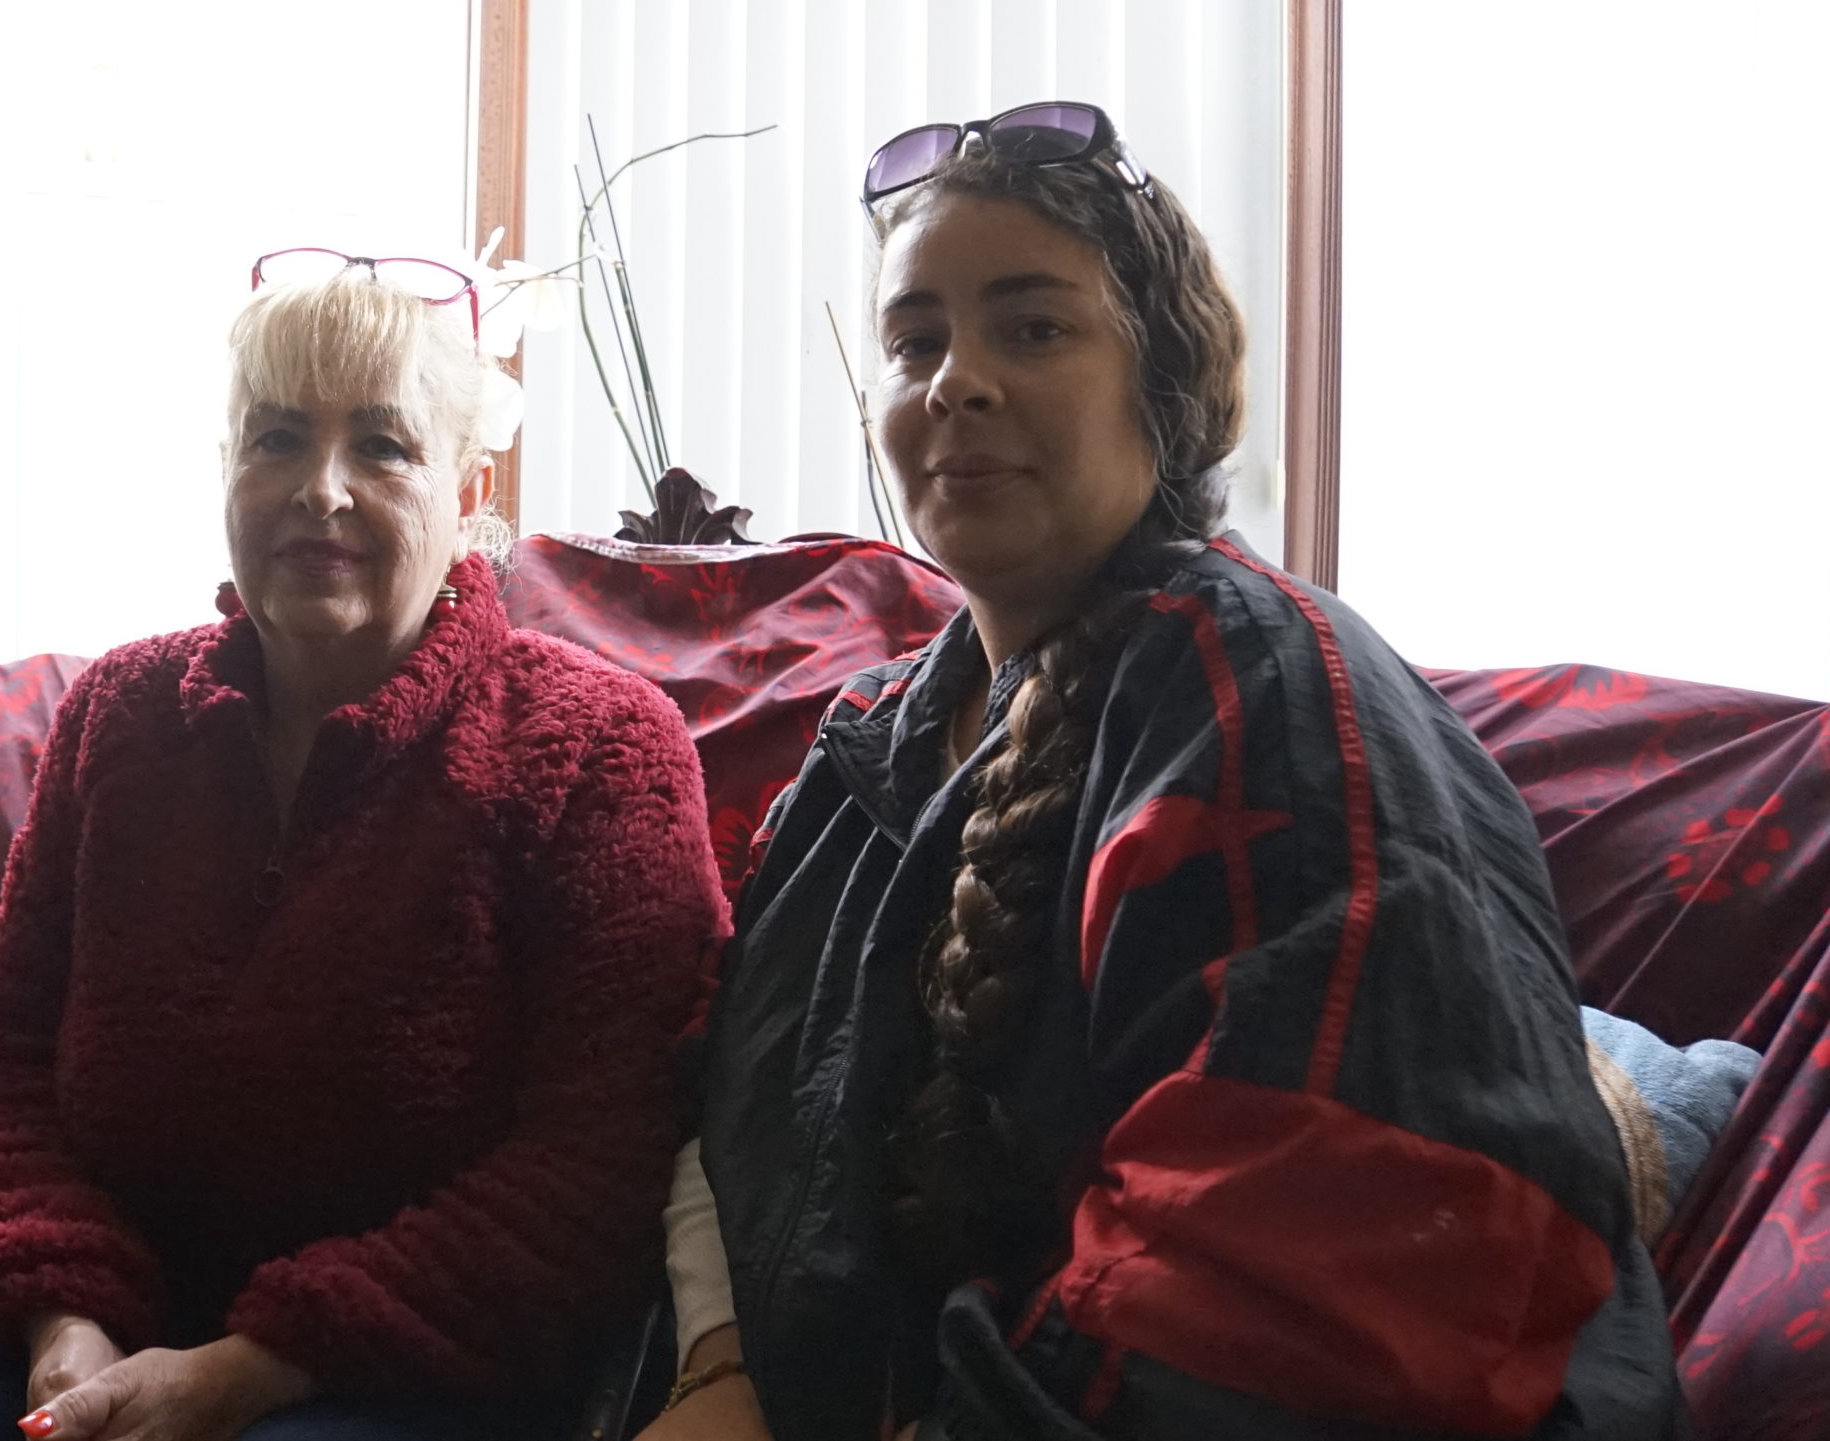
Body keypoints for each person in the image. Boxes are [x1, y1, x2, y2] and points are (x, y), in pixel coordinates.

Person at [645, 105, 1685, 1439]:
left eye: (1033, 326)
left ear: (1164, 382)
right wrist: (715, 1363)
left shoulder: (1272, 694)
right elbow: (717, 1123)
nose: (956, 380)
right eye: (917, 341)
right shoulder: (859, 756)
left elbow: (1309, 1286)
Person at [0, 250, 730, 1441]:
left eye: (382, 445)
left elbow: (594, 1164)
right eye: (276, 439)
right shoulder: (118, 716)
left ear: (469, 488)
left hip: (417, 1359)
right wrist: (66, 1325)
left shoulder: (598, 745)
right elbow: (0, 1062)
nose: (321, 487)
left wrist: (240, 1373)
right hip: (116, 1316)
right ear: (225, 470)